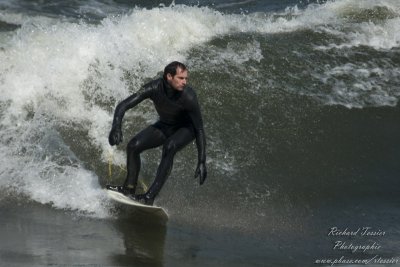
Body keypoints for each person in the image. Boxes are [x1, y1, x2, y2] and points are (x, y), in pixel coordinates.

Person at [107, 61, 207, 205]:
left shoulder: (188, 96)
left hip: (186, 128)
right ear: (169, 76)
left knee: (170, 146)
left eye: (186, 78)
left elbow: (199, 129)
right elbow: (124, 104)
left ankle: (149, 197)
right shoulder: (154, 87)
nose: (185, 82)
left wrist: (202, 160)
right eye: (181, 78)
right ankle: (129, 188)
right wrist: (116, 126)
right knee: (133, 146)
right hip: (166, 125)